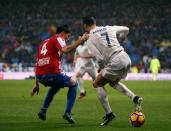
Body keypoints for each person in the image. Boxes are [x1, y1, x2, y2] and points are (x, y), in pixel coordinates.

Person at [82, 16, 143, 126]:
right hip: (125, 58)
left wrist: (101, 68)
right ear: (95, 22)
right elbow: (126, 29)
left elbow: (99, 58)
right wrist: (123, 37)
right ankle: (135, 98)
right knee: (113, 82)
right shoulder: (108, 28)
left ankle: (109, 114)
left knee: (96, 83)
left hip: (115, 61)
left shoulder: (89, 38)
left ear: (85, 26)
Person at [30, 24, 88, 124]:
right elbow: (65, 50)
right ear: (62, 33)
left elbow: (37, 62)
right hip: (52, 73)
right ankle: (67, 113)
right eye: (68, 36)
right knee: (74, 84)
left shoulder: (43, 42)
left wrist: (36, 84)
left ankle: (43, 110)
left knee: (56, 86)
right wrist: (81, 40)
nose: (68, 38)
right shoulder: (58, 37)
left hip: (40, 76)